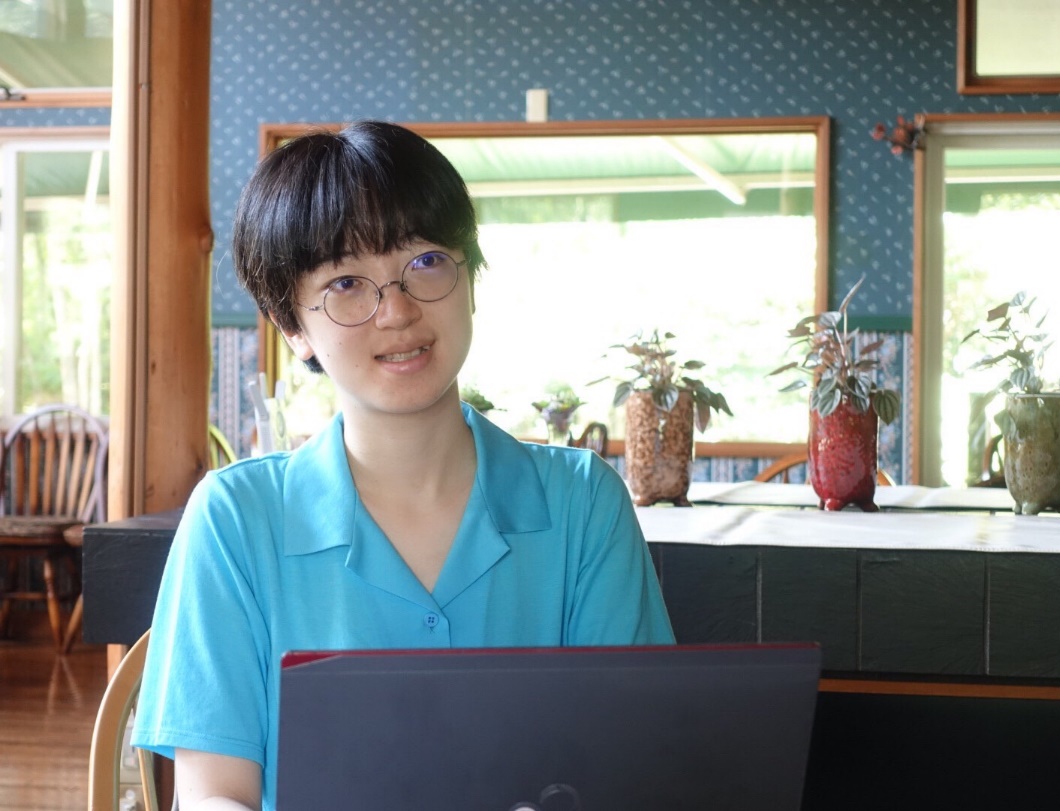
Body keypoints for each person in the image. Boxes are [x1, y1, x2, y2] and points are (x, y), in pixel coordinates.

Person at [131, 120, 675, 811]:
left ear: (470, 279)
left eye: (426, 261)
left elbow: (629, 765)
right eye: (346, 282)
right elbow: (215, 795)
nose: (396, 311)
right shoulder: (236, 520)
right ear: (292, 326)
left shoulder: (582, 504)